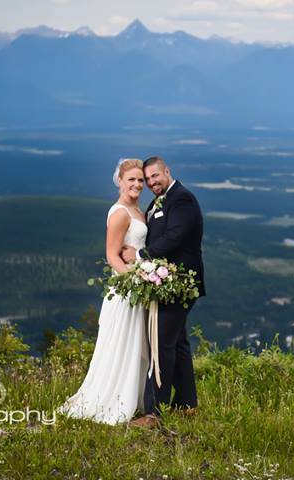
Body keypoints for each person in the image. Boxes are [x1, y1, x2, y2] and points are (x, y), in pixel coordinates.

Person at [57, 158, 149, 424]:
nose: (137, 184)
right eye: (131, 179)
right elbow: (112, 256)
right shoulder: (120, 212)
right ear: (119, 181)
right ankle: (114, 400)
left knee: (137, 345)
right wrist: (135, 280)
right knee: (123, 343)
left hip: (137, 286)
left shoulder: (138, 211)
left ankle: (137, 398)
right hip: (126, 290)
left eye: (140, 180)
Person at [122, 156, 206, 427]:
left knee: (161, 345)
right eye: (147, 179)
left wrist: (139, 254)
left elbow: (175, 236)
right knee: (177, 343)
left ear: (167, 172)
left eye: (155, 176)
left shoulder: (181, 199)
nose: (151, 182)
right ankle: (186, 404)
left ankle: (153, 414)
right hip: (170, 283)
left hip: (179, 284)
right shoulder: (160, 200)